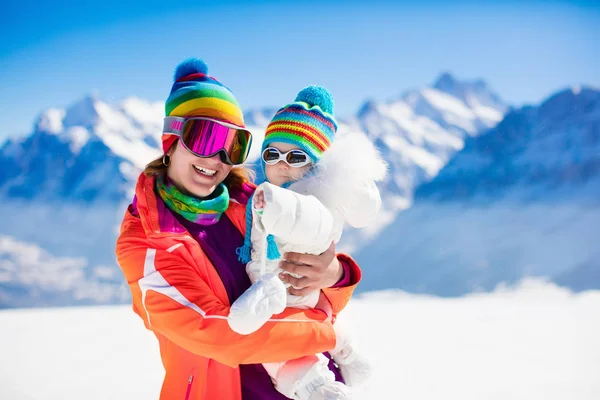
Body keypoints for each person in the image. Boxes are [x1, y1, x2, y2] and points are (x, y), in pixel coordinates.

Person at [116, 58, 363, 400]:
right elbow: (218, 334)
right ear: (170, 141)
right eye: (203, 136)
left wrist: (334, 274)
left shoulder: (255, 203)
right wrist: (331, 333)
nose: (216, 158)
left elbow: (312, 282)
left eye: (232, 145)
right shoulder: (146, 241)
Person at [227, 86, 386, 399]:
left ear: (317, 166)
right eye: (271, 155)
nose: (282, 164)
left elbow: (302, 217)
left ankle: (321, 383)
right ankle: (344, 357)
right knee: (304, 335)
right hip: (286, 310)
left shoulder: (304, 202)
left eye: (295, 156)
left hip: (287, 302)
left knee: (284, 350)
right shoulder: (250, 201)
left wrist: (335, 272)